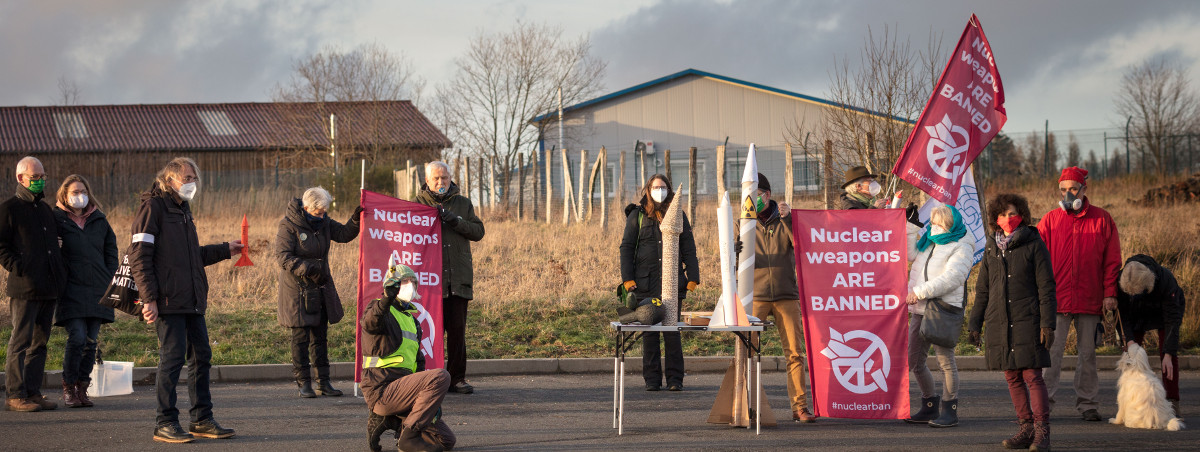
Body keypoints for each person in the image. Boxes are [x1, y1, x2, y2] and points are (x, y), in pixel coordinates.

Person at [131, 157, 243, 443]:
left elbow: (192, 256)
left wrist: (225, 250)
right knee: (172, 359)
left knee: (201, 356)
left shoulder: (183, 210)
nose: (193, 183)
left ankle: (201, 419)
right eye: (187, 178)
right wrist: (149, 299)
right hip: (168, 301)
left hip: (192, 299)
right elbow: (139, 256)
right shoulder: (153, 207)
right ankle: (165, 422)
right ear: (170, 180)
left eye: (195, 178)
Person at [968, 193, 1056, 451]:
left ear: (1022, 215)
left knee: (1032, 375)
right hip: (999, 321)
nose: (1008, 218)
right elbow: (983, 289)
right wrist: (975, 323)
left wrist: (1047, 323)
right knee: (1012, 376)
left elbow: (1046, 287)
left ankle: (1042, 432)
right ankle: (1026, 429)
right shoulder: (991, 247)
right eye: (1003, 214)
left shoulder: (1034, 244)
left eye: (1013, 213)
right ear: (995, 218)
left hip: (1028, 320)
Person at [1037, 166, 1121, 422]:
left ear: (1084, 189)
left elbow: (1112, 261)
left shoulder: (1102, 219)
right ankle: (1043, 405)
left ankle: (1088, 404)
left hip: (1090, 298)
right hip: (1056, 300)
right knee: (1051, 354)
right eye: (1063, 189)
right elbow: (1036, 261)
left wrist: (1110, 293)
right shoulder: (1049, 220)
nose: (1068, 193)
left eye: (1073, 188)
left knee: (1088, 355)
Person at [274, 186, 362, 398]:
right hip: (298, 291)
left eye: (324, 212)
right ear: (306, 208)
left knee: (320, 337)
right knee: (300, 338)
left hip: (320, 287)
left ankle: (324, 382)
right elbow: (283, 257)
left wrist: (355, 220)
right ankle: (304, 383)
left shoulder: (324, 223)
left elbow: (343, 234)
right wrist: (309, 269)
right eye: (318, 212)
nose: (322, 216)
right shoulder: (288, 225)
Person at [362, 261, 455, 452]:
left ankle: (395, 422)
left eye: (413, 282)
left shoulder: (412, 321)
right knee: (441, 376)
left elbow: (418, 364)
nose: (410, 286)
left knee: (446, 441)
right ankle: (409, 437)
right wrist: (386, 299)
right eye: (404, 281)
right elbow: (371, 323)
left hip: (404, 391)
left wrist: (429, 403)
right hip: (382, 388)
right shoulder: (380, 309)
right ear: (391, 285)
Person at [619, 174, 699, 391]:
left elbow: (689, 247)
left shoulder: (678, 215)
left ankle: (675, 379)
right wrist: (628, 279)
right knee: (650, 333)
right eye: (655, 187)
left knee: (672, 332)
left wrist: (693, 277)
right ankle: (652, 379)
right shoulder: (637, 215)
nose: (659, 191)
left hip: (672, 284)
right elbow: (626, 248)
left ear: (669, 190)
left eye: (663, 187)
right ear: (648, 190)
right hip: (645, 284)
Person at [1, 156, 67, 412]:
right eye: (35, 177)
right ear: (21, 178)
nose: (40, 181)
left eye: (42, 176)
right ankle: (15, 395)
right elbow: (1, 246)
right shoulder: (9, 209)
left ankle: (32, 392)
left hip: (48, 287)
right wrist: (19, 267)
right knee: (20, 341)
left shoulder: (45, 210)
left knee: (39, 343)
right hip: (25, 287)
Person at [413, 161, 485, 395]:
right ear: (427, 180)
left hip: (457, 279)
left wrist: (455, 221)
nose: (440, 182)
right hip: (429, 281)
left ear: (450, 177)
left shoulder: (463, 203)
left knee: (457, 333)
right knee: (427, 332)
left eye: (444, 177)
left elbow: (478, 232)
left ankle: (457, 378)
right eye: (435, 178)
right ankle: (427, 378)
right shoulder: (416, 205)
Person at [747, 173, 814, 422]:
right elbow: (737, 260)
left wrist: (788, 220)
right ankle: (745, 406)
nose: (753, 199)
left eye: (757, 194)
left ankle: (800, 407)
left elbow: (801, 246)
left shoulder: (785, 219)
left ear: (767, 195)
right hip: (756, 297)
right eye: (749, 195)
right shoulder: (744, 221)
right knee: (746, 353)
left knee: (795, 353)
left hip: (786, 295)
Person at [902, 204, 973, 428]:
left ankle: (949, 410)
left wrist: (919, 292)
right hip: (920, 308)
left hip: (942, 308)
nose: (934, 226)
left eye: (938, 223)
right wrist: (911, 227)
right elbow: (911, 255)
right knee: (915, 361)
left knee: (945, 362)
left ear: (950, 224)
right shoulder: (931, 240)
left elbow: (954, 277)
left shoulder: (962, 245)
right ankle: (929, 404)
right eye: (932, 222)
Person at [52, 174, 118, 408]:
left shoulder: (99, 219)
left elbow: (111, 251)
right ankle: (68, 386)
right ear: (64, 195)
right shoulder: (56, 219)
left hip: (98, 288)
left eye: (83, 191)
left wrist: (110, 276)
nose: (80, 196)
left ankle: (82, 387)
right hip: (70, 289)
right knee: (77, 337)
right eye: (74, 192)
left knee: (91, 341)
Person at [1115, 254, 1186, 418]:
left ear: (1147, 284)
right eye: (1130, 293)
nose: (1131, 294)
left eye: (1135, 292)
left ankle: (1172, 401)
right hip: (1135, 314)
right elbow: (1122, 317)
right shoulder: (1122, 280)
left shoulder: (1166, 281)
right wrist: (1129, 341)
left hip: (1164, 314)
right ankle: (1131, 399)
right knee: (1130, 356)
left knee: (1168, 358)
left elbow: (1172, 320)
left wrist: (1168, 353)